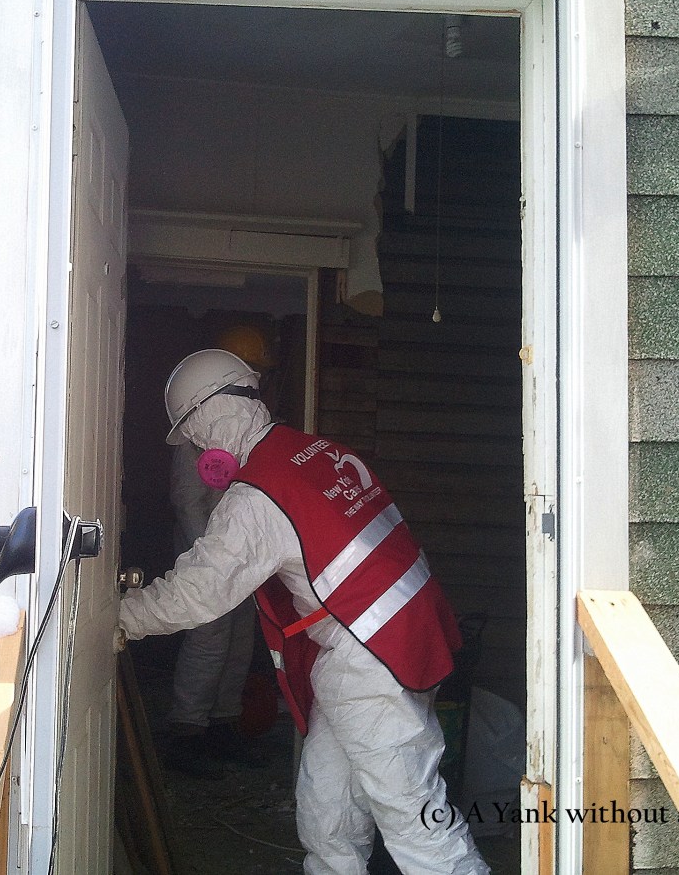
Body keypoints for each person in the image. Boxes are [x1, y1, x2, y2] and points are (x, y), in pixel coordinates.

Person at [118, 349, 489, 875]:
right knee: (328, 811)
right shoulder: (313, 452)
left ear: (213, 414)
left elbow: (198, 591)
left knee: (413, 817)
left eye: (196, 432)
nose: (200, 447)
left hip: (368, 652)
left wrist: (118, 617)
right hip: (397, 637)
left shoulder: (258, 494)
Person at [164, 324, 275, 778]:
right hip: (206, 546)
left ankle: (225, 723)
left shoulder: (244, 423)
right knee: (209, 637)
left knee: (241, 633)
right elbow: (187, 501)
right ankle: (187, 730)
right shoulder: (196, 429)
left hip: (240, 549)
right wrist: (209, 560)